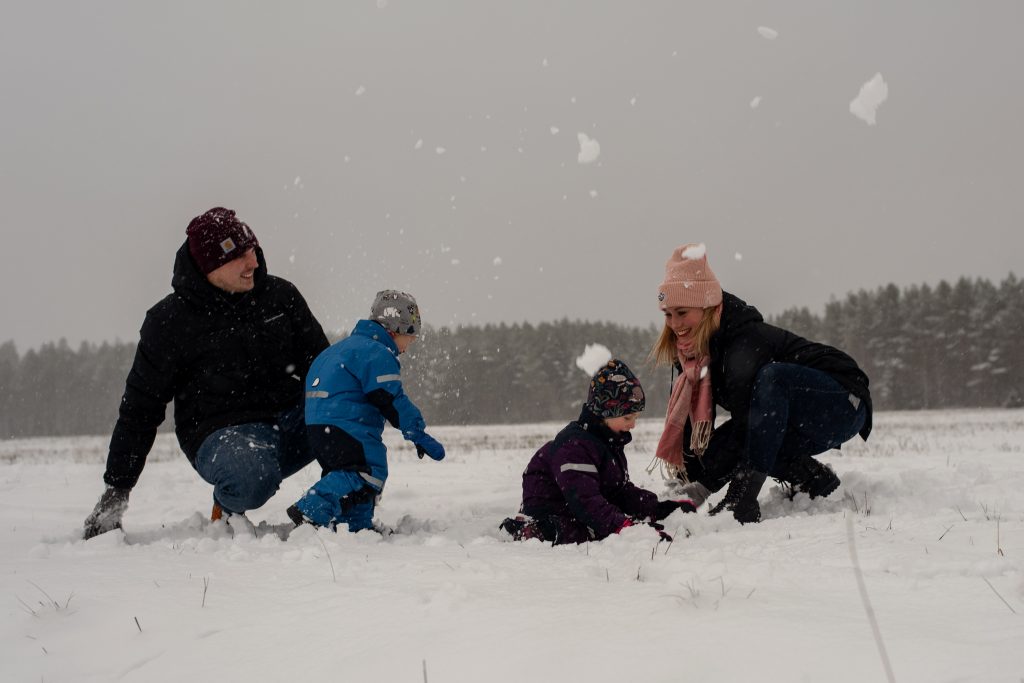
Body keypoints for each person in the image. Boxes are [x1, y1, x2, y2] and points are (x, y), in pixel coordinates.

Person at [82, 207, 329, 539]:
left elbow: (323, 367)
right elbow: (140, 411)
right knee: (250, 474)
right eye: (240, 256)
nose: (253, 262)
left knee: (352, 408)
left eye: (253, 250)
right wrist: (116, 492)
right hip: (219, 433)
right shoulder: (168, 322)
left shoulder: (280, 297)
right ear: (210, 265)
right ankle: (227, 506)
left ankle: (341, 505)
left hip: (288, 418)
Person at [651, 243, 872, 524]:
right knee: (720, 452)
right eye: (668, 314)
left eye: (682, 312)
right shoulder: (690, 351)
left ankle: (742, 499)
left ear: (707, 307)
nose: (674, 323)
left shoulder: (745, 340)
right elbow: (689, 425)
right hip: (785, 417)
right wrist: (690, 484)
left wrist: (723, 491)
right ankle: (815, 480)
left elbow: (748, 426)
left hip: (842, 402)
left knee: (771, 383)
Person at [286, 290, 445, 532]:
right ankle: (311, 508)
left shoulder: (339, 350)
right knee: (367, 472)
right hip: (346, 425)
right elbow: (391, 398)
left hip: (318, 427)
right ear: (395, 330)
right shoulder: (376, 351)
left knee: (348, 475)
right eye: (410, 338)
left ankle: (354, 526)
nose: (408, 347)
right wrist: (417, 432)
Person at [500, 359, 696, 545]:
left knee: (598, 524)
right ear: (605, 412)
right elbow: (585, 502)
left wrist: (659, 509)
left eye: (636, 417)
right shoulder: (574, 447)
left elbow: (619, 491)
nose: (633, 425)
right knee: (585, 531)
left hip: (579, 508)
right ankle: (533, 530)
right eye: (628, 418)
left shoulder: (607, 441)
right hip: (553, 510)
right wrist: (627, 528)